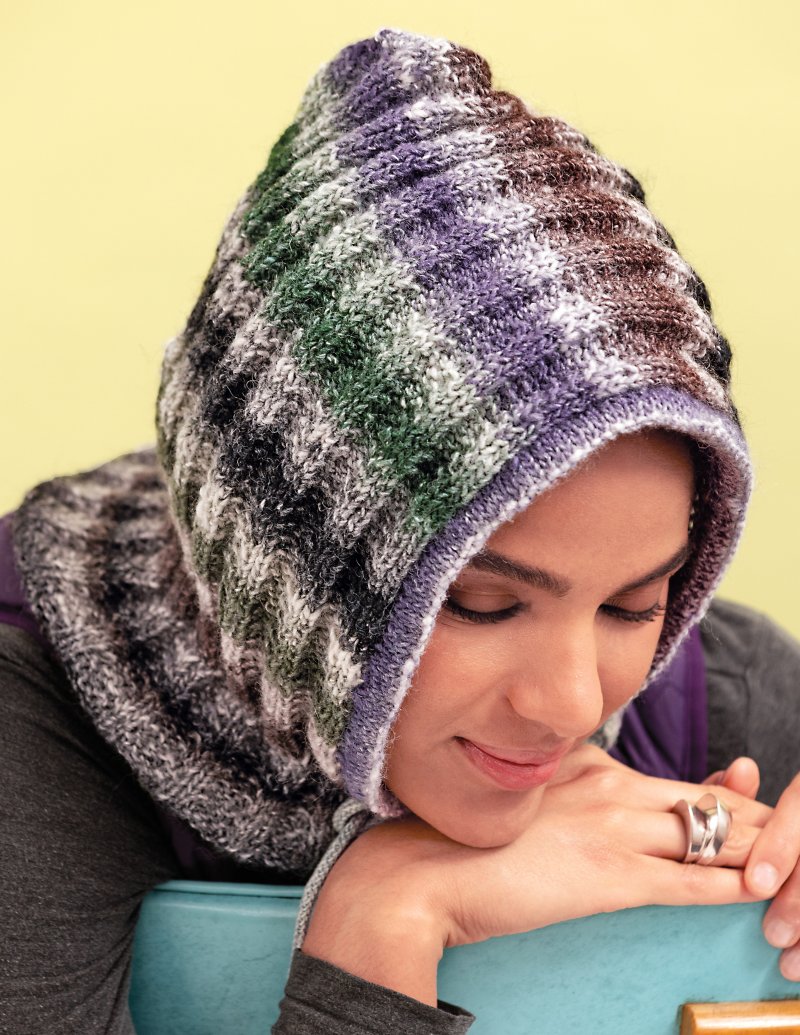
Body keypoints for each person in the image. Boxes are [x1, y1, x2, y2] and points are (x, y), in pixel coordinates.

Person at [2, 26, 800, 1034]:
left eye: (635, 604)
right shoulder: (29, 724)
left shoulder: (727, 702)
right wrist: (381, 923)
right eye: (482, 603)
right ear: (292, 566)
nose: (568, 703)